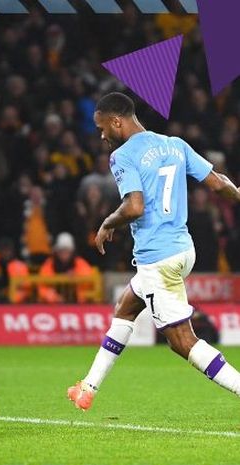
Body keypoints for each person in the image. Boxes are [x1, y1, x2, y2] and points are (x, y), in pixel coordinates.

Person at [68, 92, 240, 411]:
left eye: (103, 127)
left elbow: (134, 206)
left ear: (117, 121)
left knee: (182, 342)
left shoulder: (123, 156)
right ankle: (88, 387)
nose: (102, 135)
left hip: (158, 257)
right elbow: (218, 183)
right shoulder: (175, 144)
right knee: (126, 308)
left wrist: (107, 222)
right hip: (181, 249)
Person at [38, 232, 94, 304]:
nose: (64, 254)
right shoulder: (49, 264)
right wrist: (55, 297)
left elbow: (88, 279)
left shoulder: (80, 263)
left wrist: (75, 277)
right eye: (61, 251)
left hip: (77, 303)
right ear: (57, 251)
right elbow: (42, 285)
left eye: (67, 251)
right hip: (53, 304)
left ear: (72, 252)